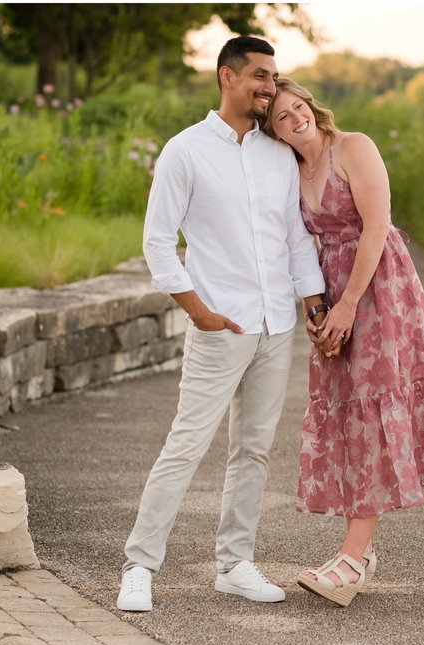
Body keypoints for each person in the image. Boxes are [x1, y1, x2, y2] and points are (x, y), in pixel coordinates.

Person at [118, 39, 330, 613]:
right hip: (219, 326)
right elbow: (158, 241)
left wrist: (313, 307)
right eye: (260, 76)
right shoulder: (184, 151)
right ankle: (140, 566)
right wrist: (198, 311)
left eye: (275, 77)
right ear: (227, 77)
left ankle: (235, 564)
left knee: (255, 450)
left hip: (276, 323)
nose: (269, 86)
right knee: (187, 443)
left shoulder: (277, 154)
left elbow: (294, 240)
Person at [262, 80, 424, 608]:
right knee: (349, 415)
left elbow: (377, 227)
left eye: (298, 108)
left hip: (378, 288)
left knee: (372, 412)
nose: (294, 119)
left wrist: (351, 303)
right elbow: (299, 244)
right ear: (273, 131)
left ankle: (354, 557)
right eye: (282, 118)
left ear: (311, 105)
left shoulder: (353, 147)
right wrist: (318, 311)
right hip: (335, 297)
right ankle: (358, 552)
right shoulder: (294, 170)